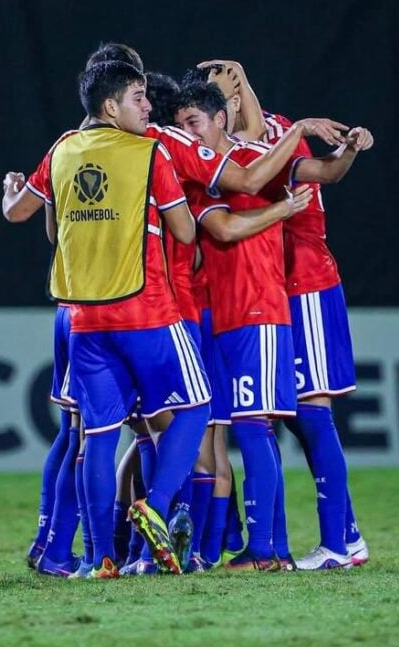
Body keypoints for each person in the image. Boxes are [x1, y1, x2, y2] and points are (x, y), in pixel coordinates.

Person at [36, 60, 212, 578]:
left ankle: (98, 559)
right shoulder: (149, 153)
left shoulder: (62, 151)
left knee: (98, 436)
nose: (148, 105)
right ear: (110, 107)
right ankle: (154, 510)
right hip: (147, 311)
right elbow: (184, 232)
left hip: (85, 320)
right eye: (138, 97)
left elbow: (50, 230)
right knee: (197, 408)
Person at [202, 59, 375, 569]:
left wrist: (346, 149)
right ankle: (344, 534)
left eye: (217, 97)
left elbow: (324, 172)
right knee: (288, 417)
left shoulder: (272, 138)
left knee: (312, 415)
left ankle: (339, 545)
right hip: (272, 292)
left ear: (234, 102)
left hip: (307, 286)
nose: (205, 111)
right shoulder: (226, 152)